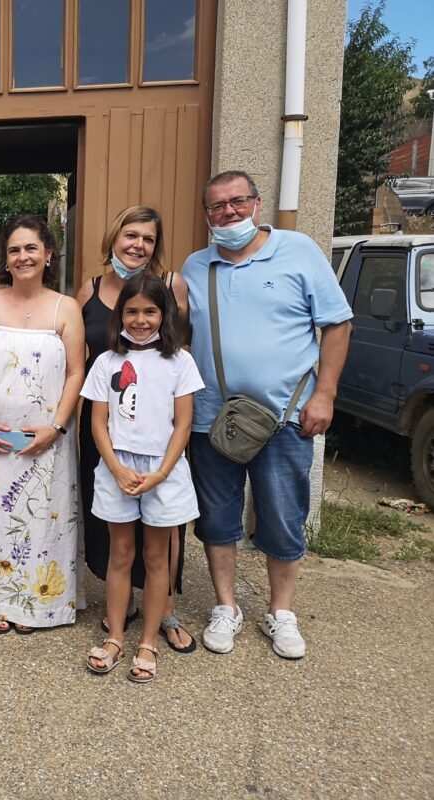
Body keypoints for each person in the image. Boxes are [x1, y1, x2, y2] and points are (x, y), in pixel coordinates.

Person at [183, 170, 352, 659]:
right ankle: (226, 606)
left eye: (237, 202)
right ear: (207, 215)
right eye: (217, 206)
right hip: (213, 417)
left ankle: (281, 612)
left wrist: (325, 394)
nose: (229, 212)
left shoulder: (298, 252)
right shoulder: (195, 267)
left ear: (257, 204)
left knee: (282, 516)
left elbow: (338, 326)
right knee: (217, 517)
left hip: (285, 417)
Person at [0, 216, 86, 633]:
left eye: (31, 248)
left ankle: (38, 605)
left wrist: (57, 427)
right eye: (14, 250)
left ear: (48, 255)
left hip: (46, 439)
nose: (23, 256)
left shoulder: (66, 308)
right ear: (5, 258)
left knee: (42, 518)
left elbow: (76, 373)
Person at [75, 205, 196, 653]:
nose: (138, 245)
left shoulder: (173, 288)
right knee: (117, 537)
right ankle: (119, 613)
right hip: (110, 434)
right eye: (131, 235)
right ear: (114, 238)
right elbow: (76, 355)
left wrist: (164, 469)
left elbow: (179, 360)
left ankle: (163, 615)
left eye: (148, 238)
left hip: (160, 437)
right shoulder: (89, 291)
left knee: (163, 538)